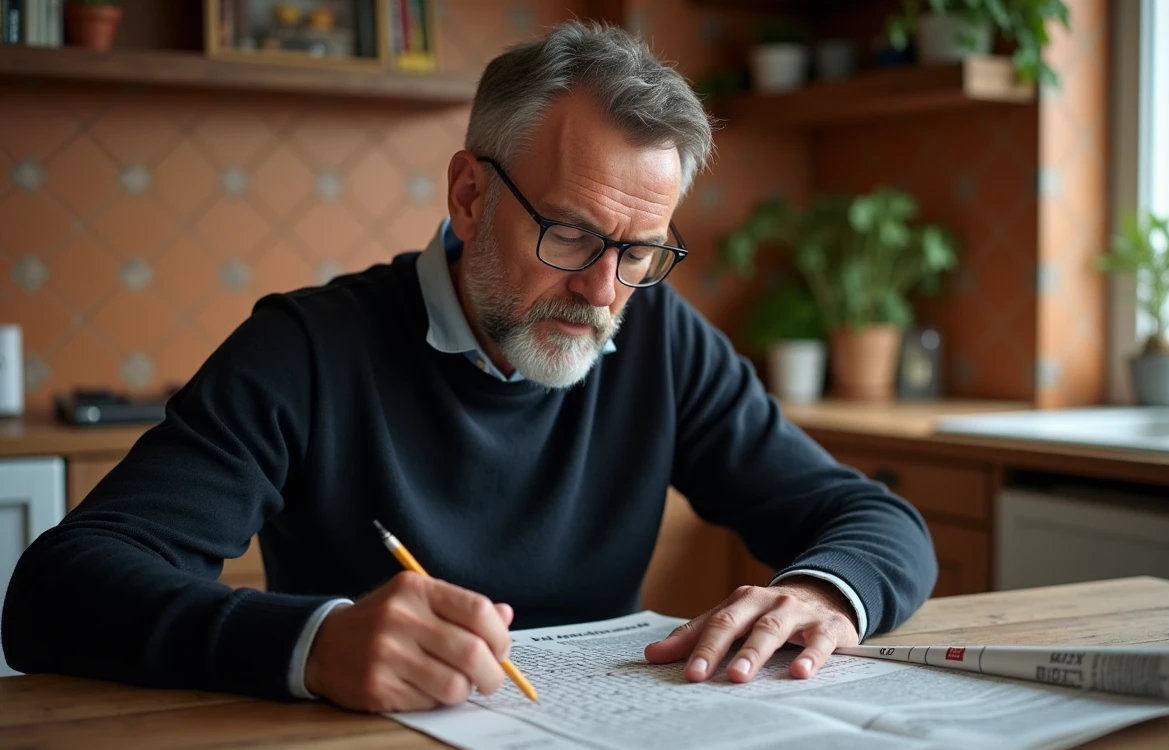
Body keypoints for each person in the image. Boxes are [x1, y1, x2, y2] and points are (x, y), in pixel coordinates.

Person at [1, 21, 936, 713]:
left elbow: (874, 520)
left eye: (640, 250)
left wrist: (821, 591)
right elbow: (56, 590)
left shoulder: (661, 340)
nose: (605, 291)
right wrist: (315, 642)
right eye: (570, 233)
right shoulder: (306, 350)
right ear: (469, 194)